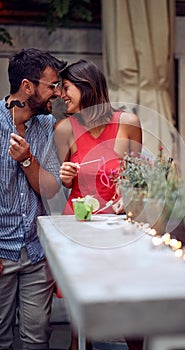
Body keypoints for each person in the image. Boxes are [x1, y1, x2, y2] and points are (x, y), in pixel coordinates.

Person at [54, 59, 143, 350]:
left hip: (119, 229)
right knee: (82, 314)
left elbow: (138, 178)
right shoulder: (64, 128)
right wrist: (66, 176)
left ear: (86, 87)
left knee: (128, 300)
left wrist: (127, 195)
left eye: (65, 87)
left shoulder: (127, 123)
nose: (60, 94)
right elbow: (68, 180)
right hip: (80, 226)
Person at [0, 48, 67, 350]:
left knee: (36, 341)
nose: (57, 93)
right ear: (27, 87)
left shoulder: (48, 127)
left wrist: (27, 160)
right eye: (51, 85)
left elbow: (51, 188)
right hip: (1, 253)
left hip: (37, 253)